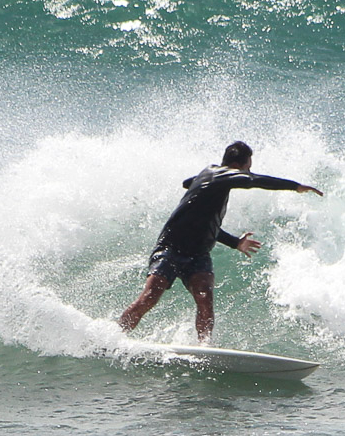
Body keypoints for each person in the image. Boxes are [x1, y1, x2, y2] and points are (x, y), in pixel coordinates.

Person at [118, 141, 323, 344]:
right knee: (149, 298)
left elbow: (203, 217)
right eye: (247, 168)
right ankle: (117, 337)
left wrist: (236, 243)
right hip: (171, 247)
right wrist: (295, 186)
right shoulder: (218, 174)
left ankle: (204, 347)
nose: (248, 173)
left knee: (205, 299)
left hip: (198, 254)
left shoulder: (214, 183)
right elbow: (253, 180)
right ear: (236, 167)